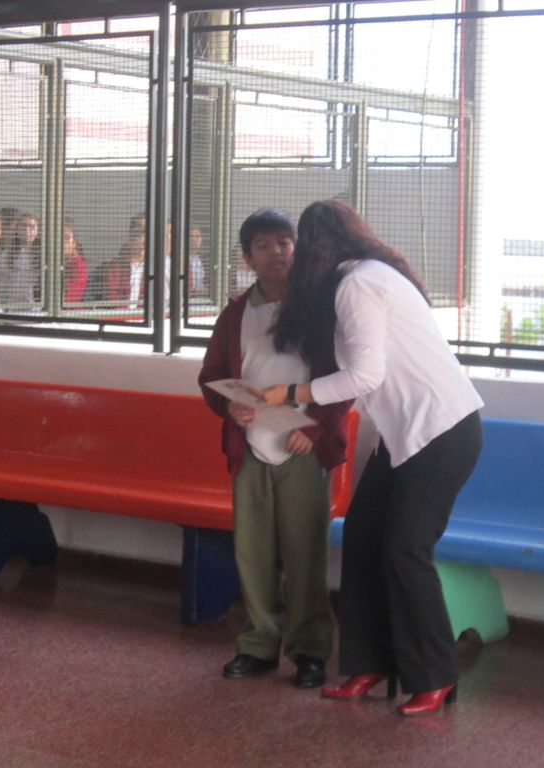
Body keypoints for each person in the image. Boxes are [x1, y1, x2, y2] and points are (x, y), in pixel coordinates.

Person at [260, 199, 484, 717]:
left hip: (441, 431)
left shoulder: (360, 283)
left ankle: (436, 675)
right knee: (362, 537)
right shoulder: (362, 278)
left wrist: (290, 395)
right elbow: (363, 378)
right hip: (405, 435)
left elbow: (364, 376)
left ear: (316, 247)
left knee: (405, 549)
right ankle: (370, 664)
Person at [198, 209, 352, 690]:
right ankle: (258, 645)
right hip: (249, 448)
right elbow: (211, 377)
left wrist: (317, 427)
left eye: (284, 243)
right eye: (263, 246)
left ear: (297, 249)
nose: (276, 254)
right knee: (253, 553)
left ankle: (310, 651)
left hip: (302, 446)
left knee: (305, 553)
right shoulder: (235, 314)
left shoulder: (319, 307)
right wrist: (229, 408)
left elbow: (346, 377)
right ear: (247, 258)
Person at [62, 218, 88, 305]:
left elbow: (70, 297)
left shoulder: (79, 265)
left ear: (74, 242)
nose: (62, 242)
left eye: (66, 238)